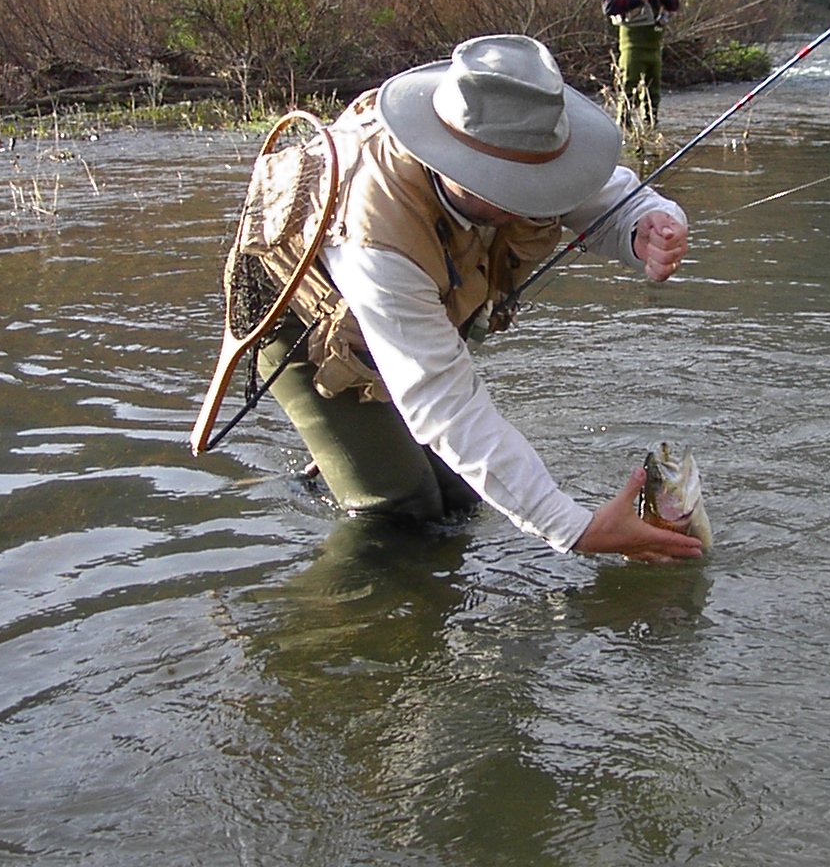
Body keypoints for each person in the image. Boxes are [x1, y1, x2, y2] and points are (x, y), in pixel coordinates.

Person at [244, 34, 702, 563]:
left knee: (461, 501)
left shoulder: (519, 137)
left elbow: (610, 199)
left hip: (405, 326)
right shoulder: (375, 234)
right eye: (513, 182)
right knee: (402, 512)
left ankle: (356, 454)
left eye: (541, 177)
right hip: (302, 326)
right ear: (451, 159)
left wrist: (644, 227)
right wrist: (574, 529)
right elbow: (444, 403)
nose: (535, 193)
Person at [602, 0, 680, 125]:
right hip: (632, 43)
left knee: (653, 90)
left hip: (654, 42)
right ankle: (624, 126)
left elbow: (674, 5)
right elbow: (608, 7)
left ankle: (651, 125)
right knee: (628, 86)